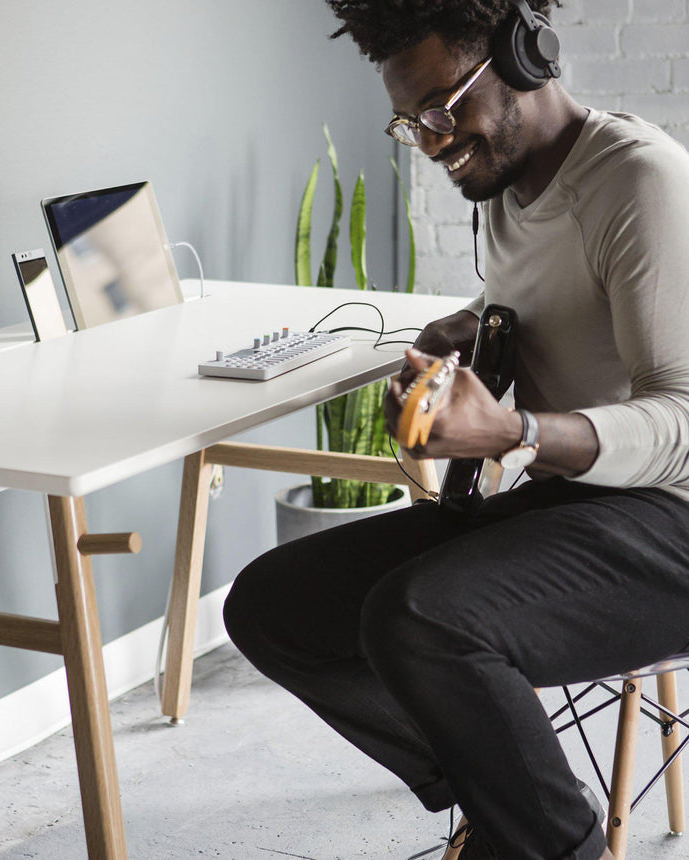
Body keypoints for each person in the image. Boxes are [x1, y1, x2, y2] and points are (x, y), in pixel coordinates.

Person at [223, 1, 689, 858]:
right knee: (274, 606)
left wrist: (514, 432)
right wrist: (472, 327)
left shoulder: (640, 181)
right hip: (581, 501)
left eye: (444, 107)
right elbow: (558, 297)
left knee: (421, 619)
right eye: (413, 122)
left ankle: (547, 842)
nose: (433, 140)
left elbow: (685, 417)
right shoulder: (507, 185)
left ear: (525, 54)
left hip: (674, 519)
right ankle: (507, 795)